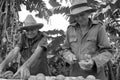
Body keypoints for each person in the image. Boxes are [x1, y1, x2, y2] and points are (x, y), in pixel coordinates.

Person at [62, 0, 114, 80]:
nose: (79, 18)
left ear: (88, 13)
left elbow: (107, 51)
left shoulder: (98, 27)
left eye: (82, 15)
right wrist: (69, 56)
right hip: (75, 75)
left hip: (95, 76)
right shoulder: (70, 29)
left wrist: (93, 61)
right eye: (76, 16)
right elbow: (65, 49)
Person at [0, 14, 50, 79]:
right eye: (27, 30)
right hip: (25, 75)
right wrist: (2, 64)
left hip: (41, 74)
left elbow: (36, 54)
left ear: (37, 29)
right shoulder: (23, 37)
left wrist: (25, 66)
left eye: (32, 29)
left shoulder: (43, 37)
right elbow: (14, 51)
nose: (29, 32)